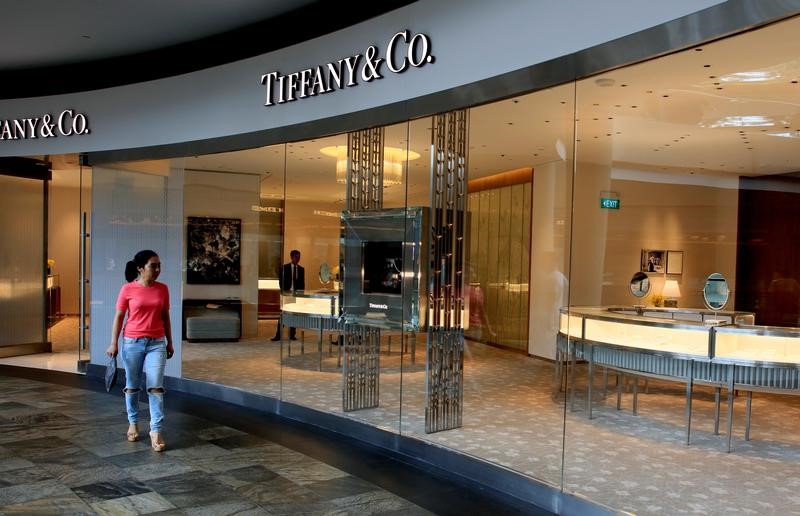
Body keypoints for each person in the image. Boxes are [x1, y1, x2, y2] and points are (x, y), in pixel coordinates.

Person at [106, 250, 174, 452]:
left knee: (155, 386)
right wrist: (113, 343)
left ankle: (156, 430)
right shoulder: (127, 289)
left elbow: (165, 317)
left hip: (157, 343)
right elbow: (119, 317)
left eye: (159, 265)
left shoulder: (163, 289)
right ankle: (133, 422)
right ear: (140, 268)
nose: (158, 269)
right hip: (132, 342)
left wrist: (169, 341)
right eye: (153, 265)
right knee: (133, 385)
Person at [272, 249, 305, 341]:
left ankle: (292, 334)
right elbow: (280, 281)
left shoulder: (301, 269)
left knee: (294, 314)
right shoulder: (284, 268)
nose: (297, 259)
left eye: (299, 257)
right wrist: (283, 292)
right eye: (296, 257)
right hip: (286, 294)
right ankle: (278, 335)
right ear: (291, 257)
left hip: (296, 295)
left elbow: (302, 283)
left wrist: (301, 295)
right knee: (283, 314)